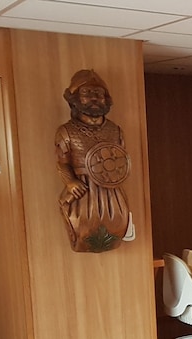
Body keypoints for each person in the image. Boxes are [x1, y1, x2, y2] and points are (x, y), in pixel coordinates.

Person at [55, 69, 133, 253]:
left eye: (98, 93)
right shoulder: (66, 131)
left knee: (117, 225)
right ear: (75, 98)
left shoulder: (115, 130)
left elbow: (121, 160)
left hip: (112, 190)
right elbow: (62, 162)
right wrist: (70, 182)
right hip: (84, 190)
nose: (94, 98)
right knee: (83, 229)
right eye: (87, 93)